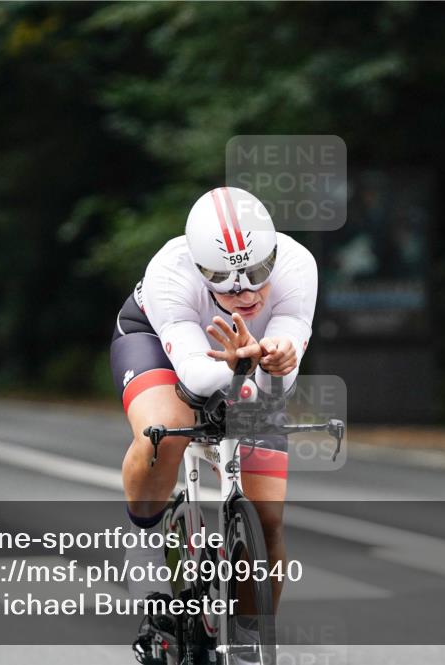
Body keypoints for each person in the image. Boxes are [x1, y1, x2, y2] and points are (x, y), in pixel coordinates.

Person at [110, 187, 317, 661]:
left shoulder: (298, 265)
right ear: (200, 270)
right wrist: (246, 363)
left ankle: (246, 643)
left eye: (257, 274)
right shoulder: (169, 270)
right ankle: (143, 538)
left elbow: (276, 388)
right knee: (163, 430)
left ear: (274, 255)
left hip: (245, 361)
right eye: (222, 281)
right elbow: (195, 377)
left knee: (267, 521)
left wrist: (275, 360)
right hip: (160, 345)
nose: (244, 293)